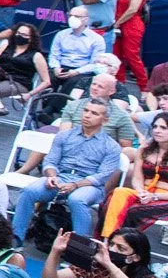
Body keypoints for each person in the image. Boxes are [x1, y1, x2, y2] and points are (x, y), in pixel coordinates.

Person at [10, 98, 126, 240]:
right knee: (30, 191)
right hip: (61, 177)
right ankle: (16, 239)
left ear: (105, 120)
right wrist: (52, 176)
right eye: (86, 110)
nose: (87, 115)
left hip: (89, 185)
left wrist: (75, 185)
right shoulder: (64, 136)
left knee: (77, 199)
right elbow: (50, 161)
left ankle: (80, 248)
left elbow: (103, 176)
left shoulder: (111, 146)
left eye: (94, 113)